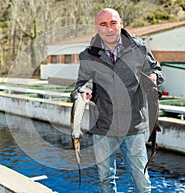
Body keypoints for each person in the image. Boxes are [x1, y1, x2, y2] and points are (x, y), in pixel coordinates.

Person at [72, 8, 164, 193]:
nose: (109, 28)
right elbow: (82, 83)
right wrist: (82, 92)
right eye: (103, 24)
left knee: (141, 180)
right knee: (106, 179)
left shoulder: (140, 49)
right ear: (97, 28)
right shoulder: (88, 55)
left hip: (135, 125)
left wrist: (154, 76)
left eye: (113, 23)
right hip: (103, 125)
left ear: (121, 24)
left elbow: (157, 72)